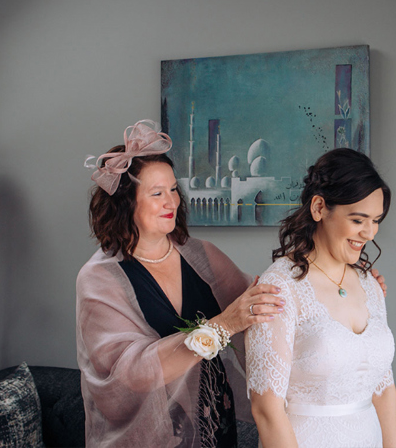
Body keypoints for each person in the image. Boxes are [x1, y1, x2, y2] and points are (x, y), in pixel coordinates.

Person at [76, 120, 285, 447]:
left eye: (174, 189)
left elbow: (262, 300)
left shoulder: (202, 254)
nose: (171, 202)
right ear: (125, 202)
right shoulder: (99, 278)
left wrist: (346, 281)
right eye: (157, 193)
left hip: (216, 431)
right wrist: (223, 325)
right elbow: (133, 373)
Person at [245, 148, 396, 448]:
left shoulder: (369, 284)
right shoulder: (279, 287)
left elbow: (383, 388)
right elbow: (266, 410)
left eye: (376, 220)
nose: (369, 233)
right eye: (358, 220)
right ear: (319, 208)